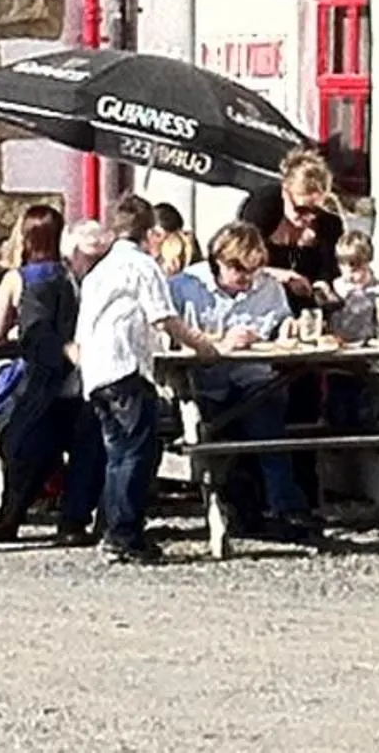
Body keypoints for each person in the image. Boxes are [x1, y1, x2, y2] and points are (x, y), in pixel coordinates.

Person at [72, 192, 225, 564]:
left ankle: (112, 527)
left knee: (117, 453)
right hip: (125, 365)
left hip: (96, 370)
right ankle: (125, 534)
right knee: (137, 452)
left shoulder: (98, 271)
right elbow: (163, 317)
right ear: (150, 232)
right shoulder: (142, 266)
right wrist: (202, 344)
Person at [170, 221, 317, 545]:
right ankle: (226, 508)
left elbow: (279, 321)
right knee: (217, 433)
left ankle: (285, 510)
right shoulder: (185, 286)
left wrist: (286, 330)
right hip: (201, 382)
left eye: (253, 270)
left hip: (254, 379)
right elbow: (168, 338)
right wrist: (219, 341)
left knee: (268, 427)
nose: (245, 279)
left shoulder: (267, 287)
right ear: (217, 261)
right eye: (238, 270)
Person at [0, 205, 100, 545]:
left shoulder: (20, 278)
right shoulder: (77, 275)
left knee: (21, 445)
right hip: (83, 378)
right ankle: (73, 521)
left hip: (41, 380)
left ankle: (10, 517)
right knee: (86, 450)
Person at [238, 148, 344, 310]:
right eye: (301, 209)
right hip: (259, 301)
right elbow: (237, 263)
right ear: (285, 192)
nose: (309, 217)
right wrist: (280, 276)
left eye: (316, 210)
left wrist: (322, 286)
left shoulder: (330, 223)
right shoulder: (262, 208)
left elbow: (330, 269)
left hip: (306, 308)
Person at [330, 228, 379, 344]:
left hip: (367, 347)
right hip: (339, 346)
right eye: (342, 267)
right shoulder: (338, 286)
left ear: (367, 263)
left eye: (354, 269)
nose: (348, 275)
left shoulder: (378, 290)